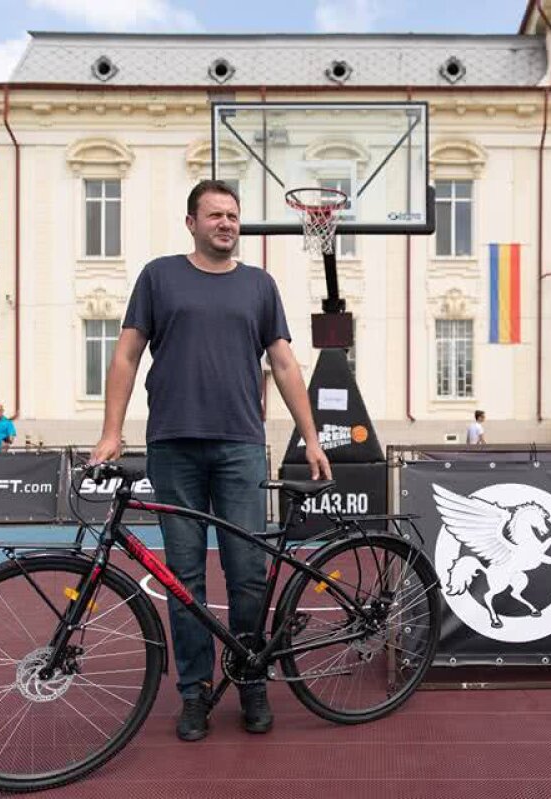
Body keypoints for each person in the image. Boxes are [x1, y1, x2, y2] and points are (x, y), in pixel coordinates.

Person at [89, 179, 330, 742]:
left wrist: (311, 438)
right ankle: (194, 693)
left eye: (233, 215)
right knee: (184, 578)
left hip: (240, 446)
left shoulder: (258, 285)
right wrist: (110, 431)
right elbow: (125, 355)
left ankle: (250, 679)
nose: (226, 223)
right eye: (215, 215)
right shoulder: (159, 276)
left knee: (248, 571)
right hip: (173, 445)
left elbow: (287, 365)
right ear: (191, 222)